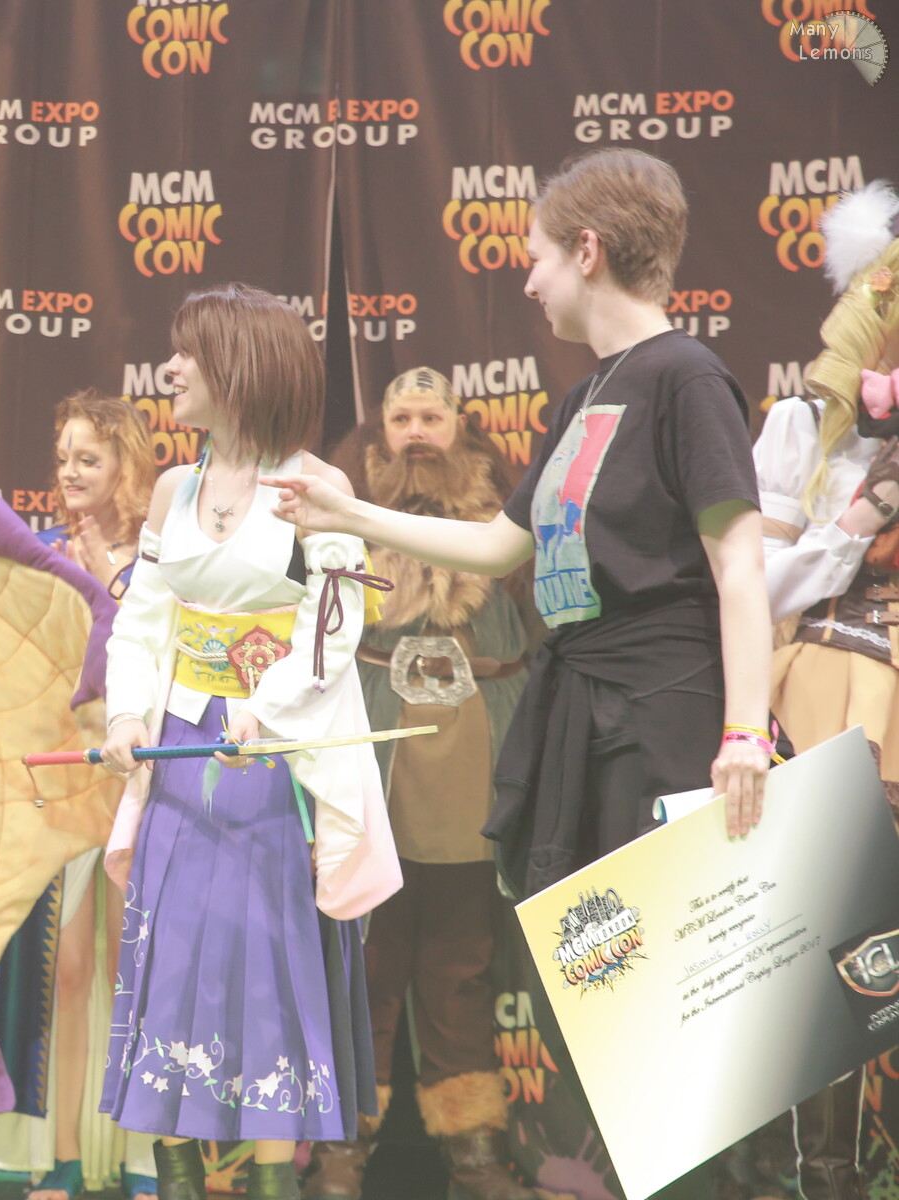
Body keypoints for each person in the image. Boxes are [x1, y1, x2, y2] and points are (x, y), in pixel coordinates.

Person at [264, 147, 770, 1199]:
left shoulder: (686, 378)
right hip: (582, 714)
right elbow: (502, 546)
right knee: (593, 989)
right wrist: (348, 510)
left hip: (665, 717)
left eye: (536, 257)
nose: (529, 281)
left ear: (588, 251)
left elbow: (739, 566)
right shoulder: (586, 395)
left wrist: (744, 732)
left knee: (668, 998)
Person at [100, 282, 390, 1200]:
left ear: (240, 366)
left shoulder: (317, 487)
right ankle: (177, 1178)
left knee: (264, 957)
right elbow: (143, 619)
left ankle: (271, 1183)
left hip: (271, 760)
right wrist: (125, 713)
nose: (170, 369)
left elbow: (332, 628)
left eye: (188, 353)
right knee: (170, 954)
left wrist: (265, 709)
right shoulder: (173, 488)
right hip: (179, 752)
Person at [307, 369, 535, 1200]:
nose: (415, 433)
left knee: (461, 966)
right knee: (365, 963)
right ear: (378, 433)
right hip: (373, 761)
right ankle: (341, 1153)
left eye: (430, 417)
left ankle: (473, 1154)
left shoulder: (509, 519)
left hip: (475, 760)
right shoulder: (338, 513)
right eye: (400, 417)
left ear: (459, 426)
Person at [0, 390, 160, 1200]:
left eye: (89, 459)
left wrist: (110, 579)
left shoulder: (162, 557)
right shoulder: (40, 552)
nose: (70, 472)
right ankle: (65, 1157)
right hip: (69, 781)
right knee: (69, 973)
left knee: (132, 970)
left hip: (144, 779)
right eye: (64, 457)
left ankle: (144, 1161)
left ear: (125, 465)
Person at [745, 179, 899, 1200]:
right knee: (837, 954)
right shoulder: (804, 428)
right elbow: (752, 591)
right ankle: (825, 1178)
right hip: (833, 699)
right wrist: (860, 516)